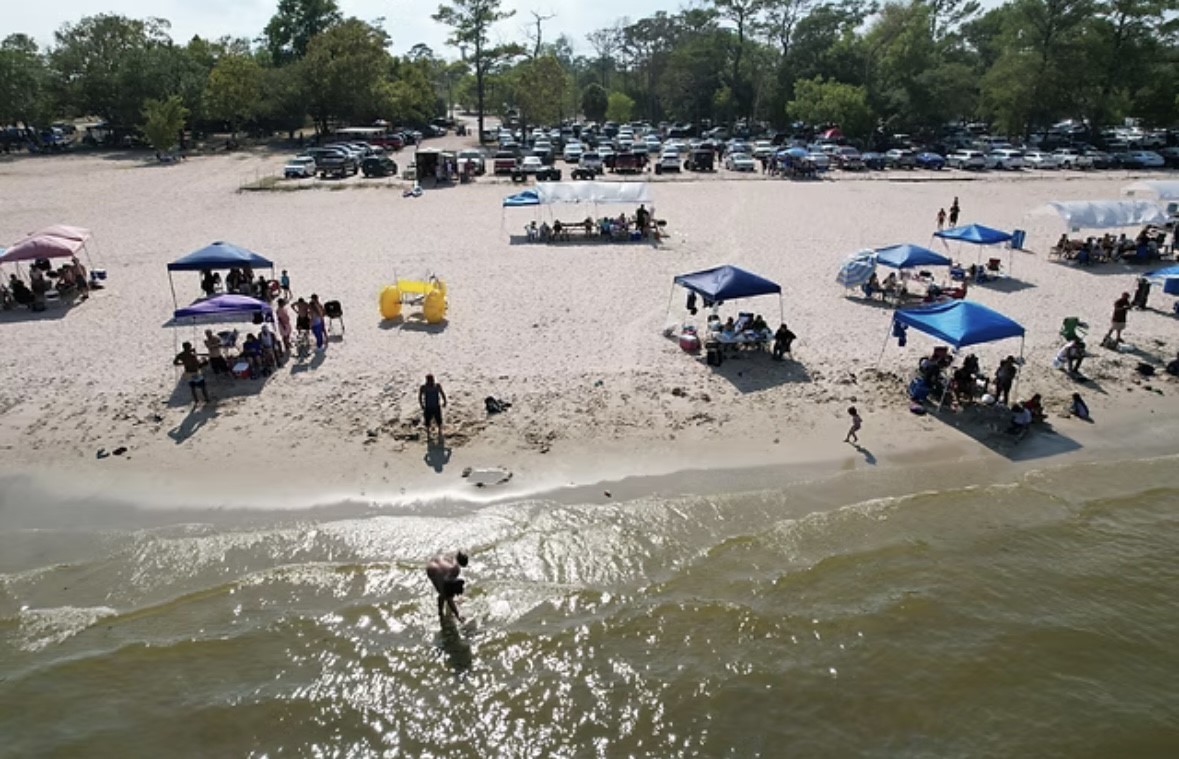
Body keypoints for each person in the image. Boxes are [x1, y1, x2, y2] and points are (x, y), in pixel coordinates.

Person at [426, 550, 469, 622]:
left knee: (445, 594)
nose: (456, 594)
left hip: (440, 561)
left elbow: (456, 558)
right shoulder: (444, 579)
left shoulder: (455, 568)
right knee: (443, 595)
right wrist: (458, 615)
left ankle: (442, 610)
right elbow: (446, 597)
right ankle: (440, 613)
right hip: (432, 569)